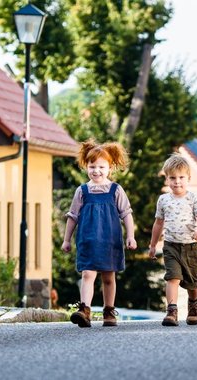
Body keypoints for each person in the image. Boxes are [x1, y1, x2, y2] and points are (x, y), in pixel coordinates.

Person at [62, 139, 137, 328]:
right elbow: (72, 216)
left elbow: (126, 214)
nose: (96, 171)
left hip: (110, 240)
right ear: (86, 166)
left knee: (108, 277)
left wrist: (130, 236)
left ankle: (109, 310)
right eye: (92, 166)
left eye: (101, 167)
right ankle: (84, 310)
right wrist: (66, 240)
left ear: (110, 168)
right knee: (88, 274)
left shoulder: (115, 190)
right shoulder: (82, 191)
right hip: (87, 240)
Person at [149, 153, 197, 326]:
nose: (177, 181)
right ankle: (172, 311)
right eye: (172, 178)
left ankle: (193, 305)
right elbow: (158, 223)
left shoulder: (193, 198)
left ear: (188, 178)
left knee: (192, 282)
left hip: (190, 246)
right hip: (171, 246)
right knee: (172, 277)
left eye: (181, 177)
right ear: (166, 179)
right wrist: (153, 245)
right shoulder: (163, 200)